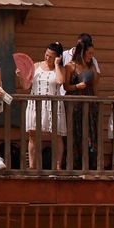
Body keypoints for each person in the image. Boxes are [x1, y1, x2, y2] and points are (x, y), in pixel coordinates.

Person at [23, 42, 70, 170]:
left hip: (53, 104)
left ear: (57, 57)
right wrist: (22, 76)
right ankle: (33, 165)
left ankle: (58, 165)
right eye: (46, 54)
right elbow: (26, 86)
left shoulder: (61, 69)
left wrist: (56, 64)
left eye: (51, 56)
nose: (47, 58)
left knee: (56, 135)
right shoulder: (36, 65)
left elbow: (60, 81)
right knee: (33, 134)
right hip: (35, 102)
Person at [63, 37, 100, 171]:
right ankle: (73, 164)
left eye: (92, 53)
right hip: (74, 103)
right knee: (74, 133)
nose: (91, 56)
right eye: (89, 53)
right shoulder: (70, 66)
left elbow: (95, 85)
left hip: (89, 102)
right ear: (82, 52)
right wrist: (77, 86)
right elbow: (66, 86)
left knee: (90, 133)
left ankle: (90, 164)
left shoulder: (91, 66)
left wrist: (96, 101)